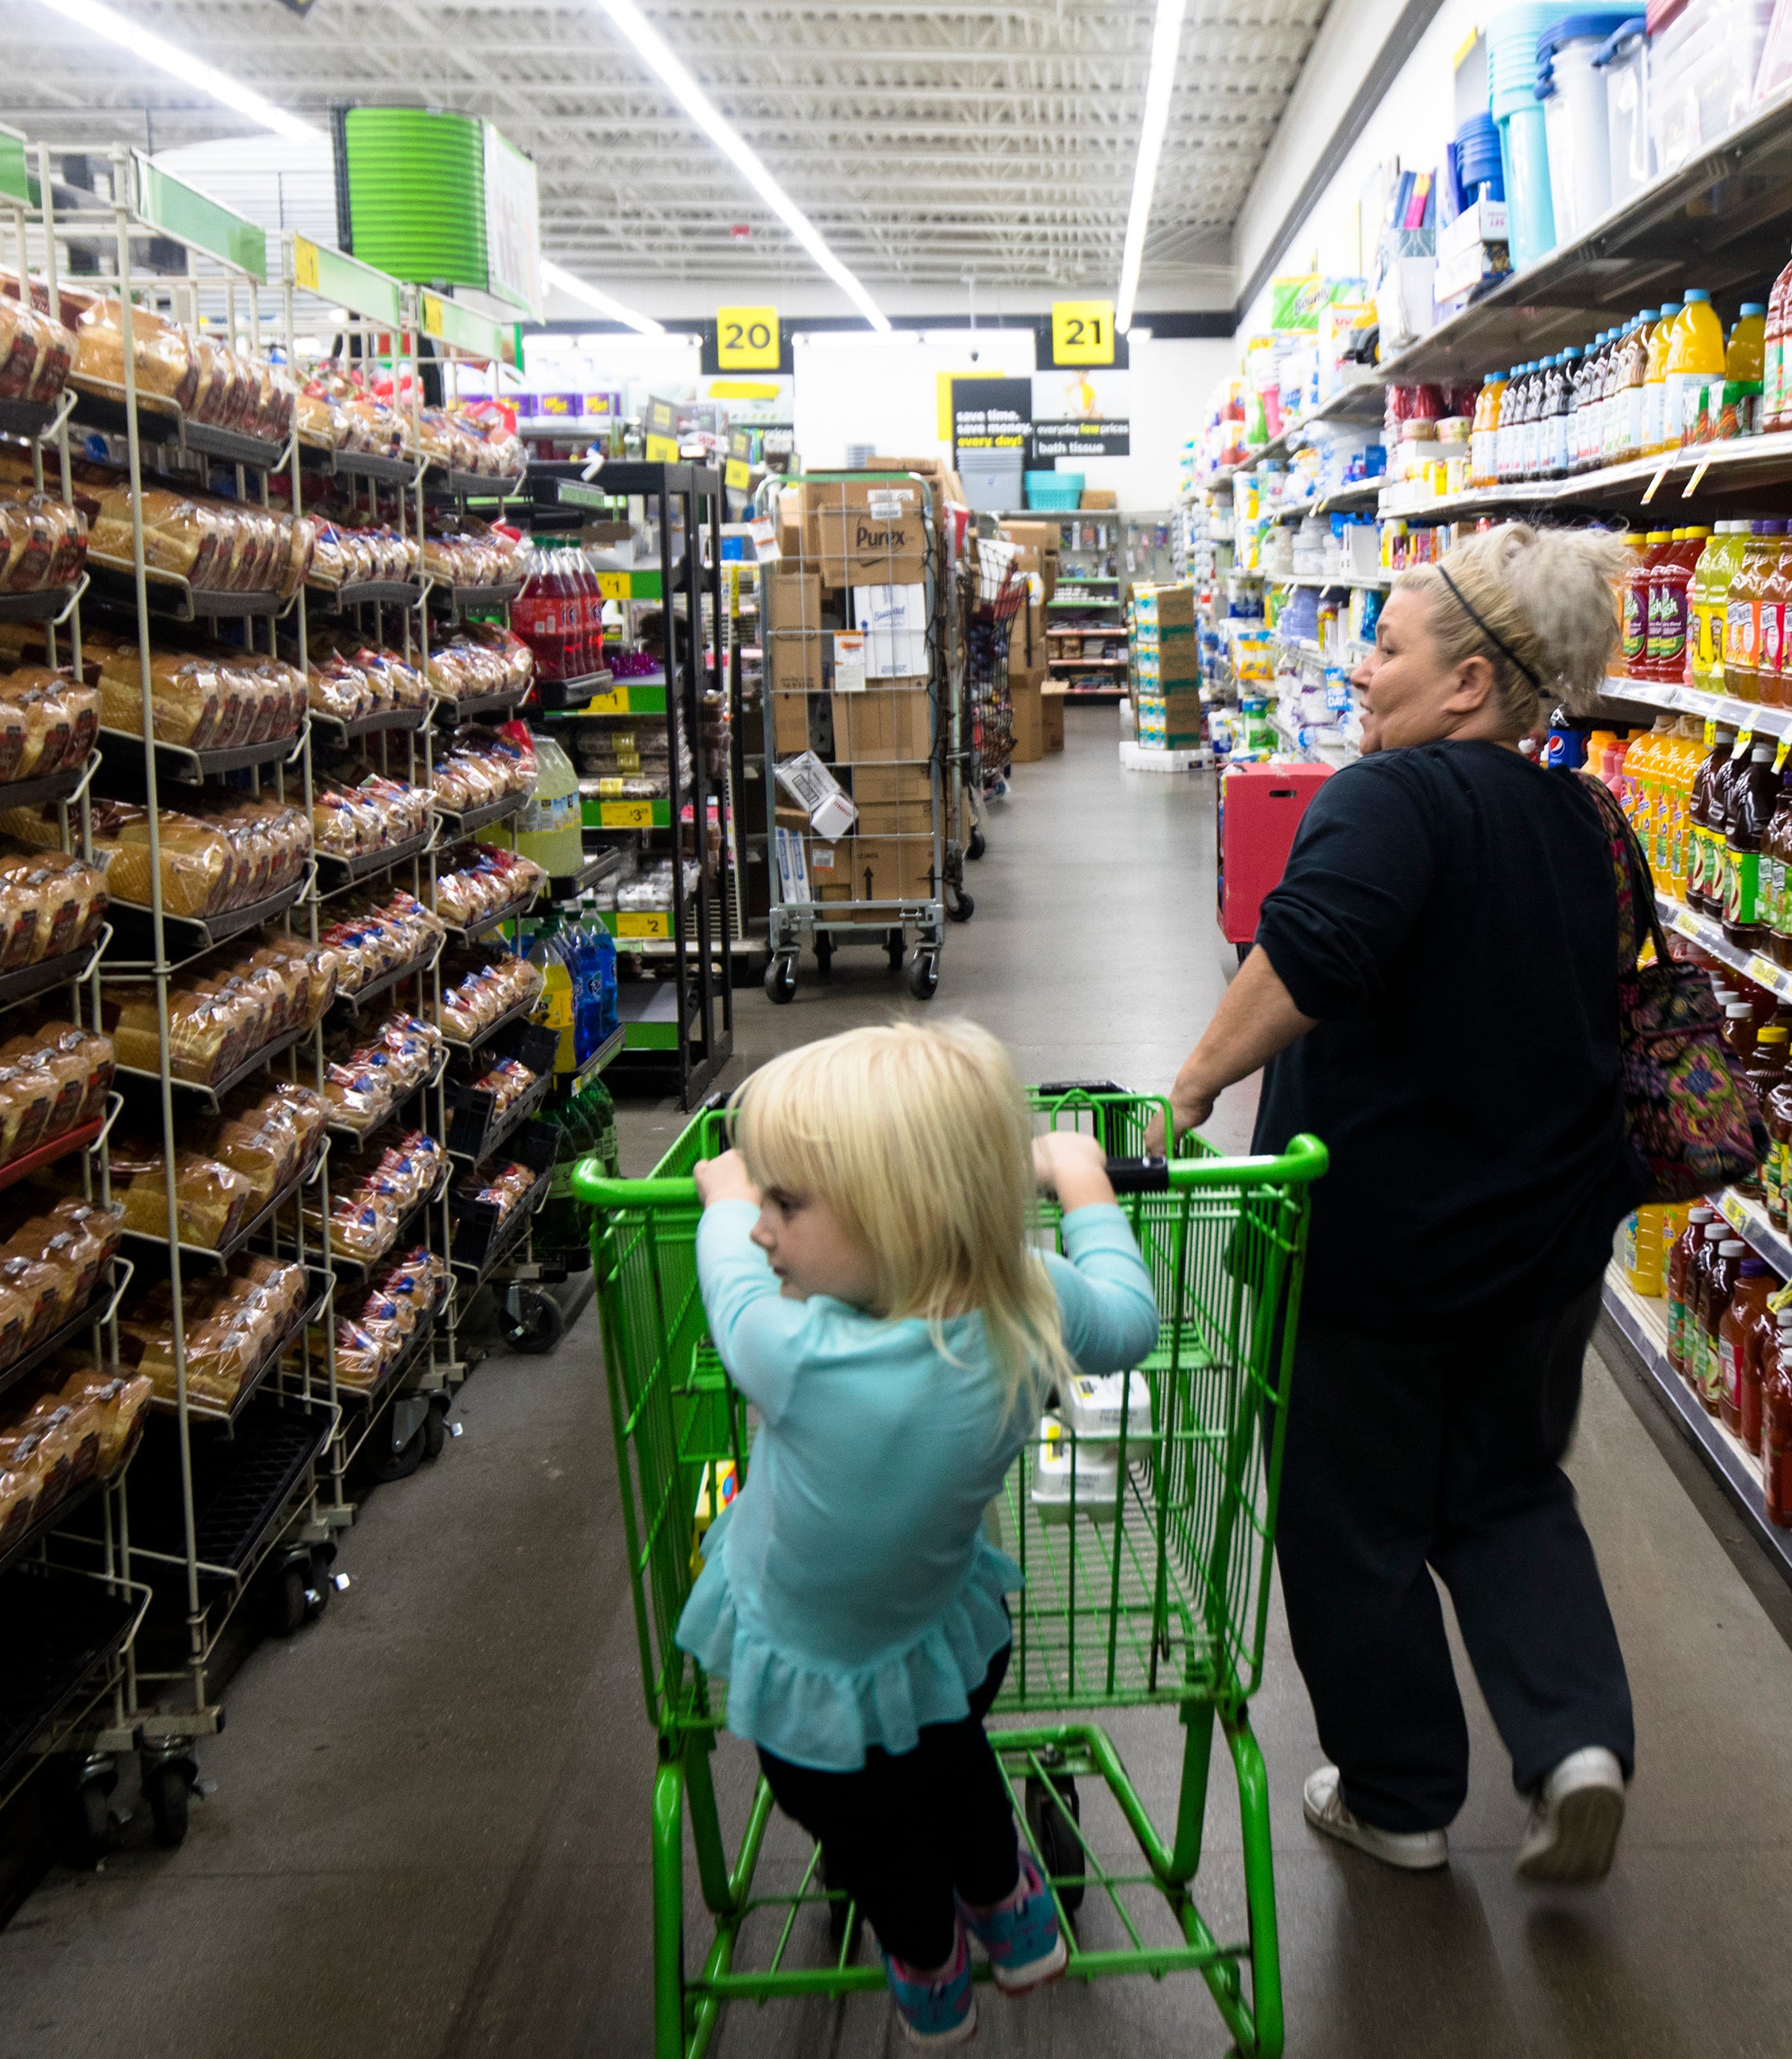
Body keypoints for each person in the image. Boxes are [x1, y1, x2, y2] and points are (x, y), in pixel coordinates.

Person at [1163, 524, 1645, 1886]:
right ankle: (1577, 1747)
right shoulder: (1586, 817)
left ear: (1471, 687)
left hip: (1378, 1245)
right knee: (1505, 1491)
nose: (1362, 674)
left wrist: (1189, 1087)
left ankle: (1400, 1796)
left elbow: (1311, 953)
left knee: (1352, 1518)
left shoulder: (1394, 799)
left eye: (1385, 648)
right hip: (1547, 1247)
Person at [681, 1022, 1162, 2045]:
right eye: (762, 1195)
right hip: (951, 1642)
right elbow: (1129, 1324)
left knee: (868, 1836)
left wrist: (721, 1201)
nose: (765, 1227)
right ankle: (1013, 1915)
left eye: (787, 1202)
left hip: (814, 1683)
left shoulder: (792, 1349)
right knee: (953, 1762)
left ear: (905, 1212)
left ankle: (930, 1965)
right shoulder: (1026, 1302)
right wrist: (1083, 1186)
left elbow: (729, 1292)